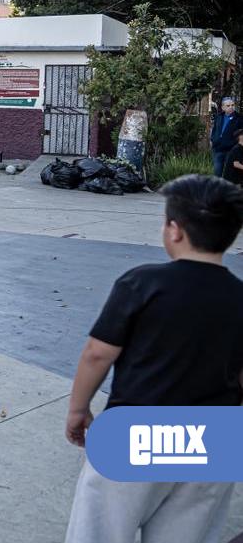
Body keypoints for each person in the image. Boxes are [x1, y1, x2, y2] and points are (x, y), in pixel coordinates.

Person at [62, 174, 243, 543]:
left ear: (174, 231)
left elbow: (98, 353)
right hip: (214, 438)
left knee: (100, 532)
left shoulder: (141, 283)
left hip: (135, 431)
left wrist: (78, 409)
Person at [209, 97, 240, 177]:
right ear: (223, 107)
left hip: (230, 149)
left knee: (229, 173)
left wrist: (235, 145)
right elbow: (214, 129)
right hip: (218, 149)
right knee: (217, 171)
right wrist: (212, 139)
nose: (231, 107)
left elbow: (240, 134)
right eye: (228, 106)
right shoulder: (219, 117)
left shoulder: (239, 118)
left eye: (232, 105)